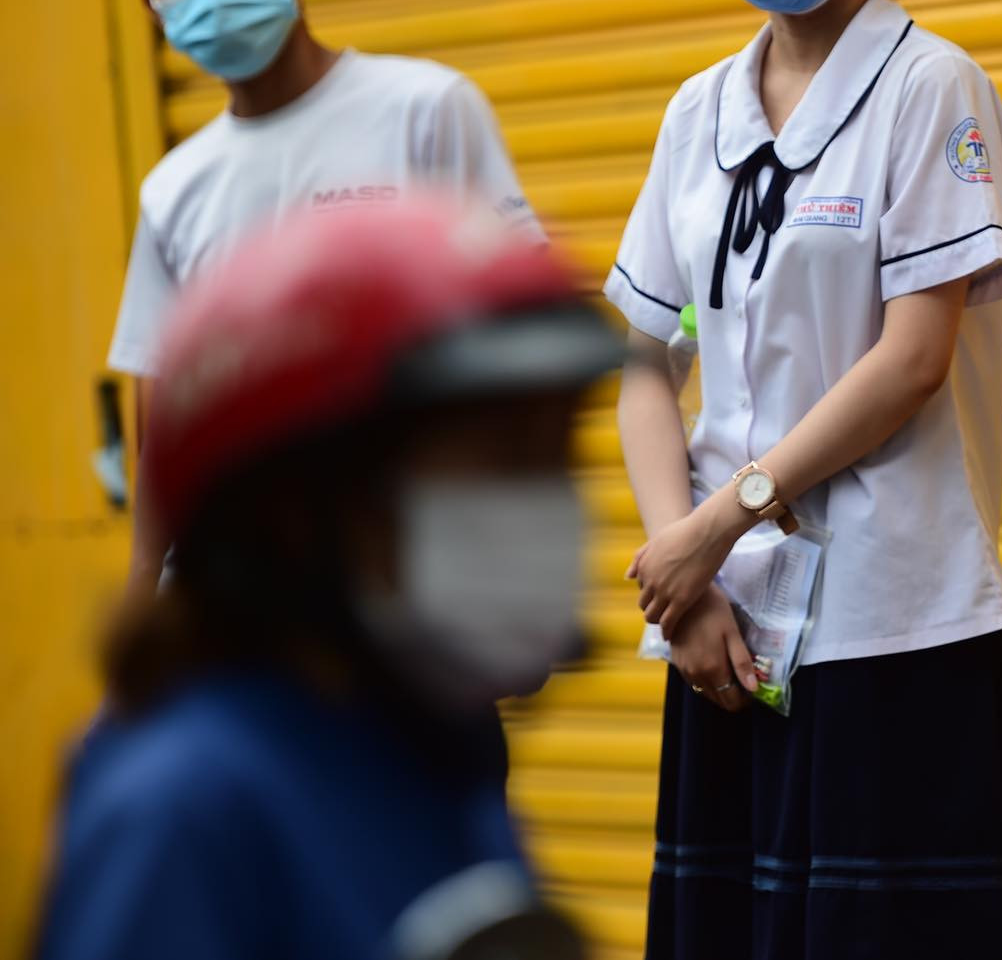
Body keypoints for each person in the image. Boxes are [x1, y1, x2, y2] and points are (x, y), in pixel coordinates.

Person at [605, 0, 1002, 959]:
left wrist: (719, 524)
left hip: (891, 619)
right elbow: (642, 356)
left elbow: (914, 358)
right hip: (724, 629)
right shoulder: (693, 111)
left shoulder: (932, 89)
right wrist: (685, 575)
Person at [36, 199, 619, 960]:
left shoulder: (436, 758)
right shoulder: (182, 814)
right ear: (303, 509)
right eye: (507, 459)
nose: (553, 506)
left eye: (558, 457)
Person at [108, 0, 540, 594]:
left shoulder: (424, 109)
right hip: (236, 605)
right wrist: (147, 595)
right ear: (154, 2)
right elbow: (165, 422)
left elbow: (517, 341)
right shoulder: (172, 190)